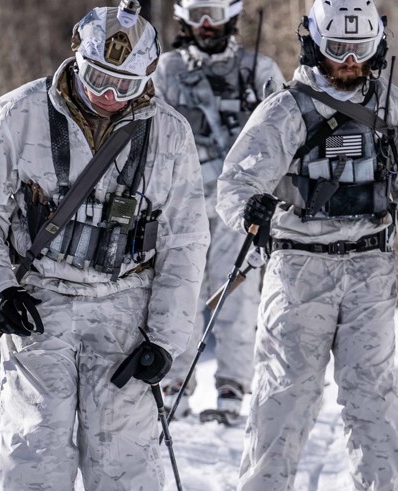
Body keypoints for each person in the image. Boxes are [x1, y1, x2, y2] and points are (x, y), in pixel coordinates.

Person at [0, 3, 209, 491]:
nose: (108, 95)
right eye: (98, 78)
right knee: (36, 448)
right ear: (76, 55)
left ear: (148, 77)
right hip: (39, 300)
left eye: (125, 83)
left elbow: (186, 246)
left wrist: (166, 338)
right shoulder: (17, 115)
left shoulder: (169, 135)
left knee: (122, 457)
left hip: (126, 307)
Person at [215, 0, 398, 491]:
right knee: (285, 391)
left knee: (374, 393)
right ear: (313, 44)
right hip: (299, 267)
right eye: (337, 49)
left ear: (376, 49)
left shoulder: (394, 109)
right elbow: (235, 183)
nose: (348, 62)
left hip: (369, 265)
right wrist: (253, 210)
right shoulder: (284, 110)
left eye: (359, 51)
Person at [152, 0, 285, 423]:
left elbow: (286, 138)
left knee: (238, 294)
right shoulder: (165, 71)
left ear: (231, 16)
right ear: (183, 19)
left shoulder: (259, 71)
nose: (206, 26)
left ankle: (231, 388)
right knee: (178, 288)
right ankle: (174, 383)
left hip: (241, 205)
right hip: (179, 203)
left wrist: (276, 206)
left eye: (213, 14)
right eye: (197, 16)